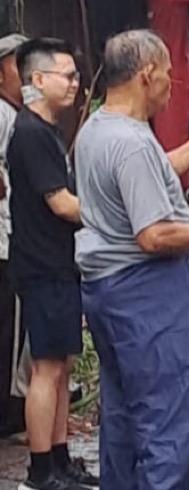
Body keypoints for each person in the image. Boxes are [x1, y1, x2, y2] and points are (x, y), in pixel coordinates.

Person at [74, 30, 189, 490]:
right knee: (171, 424)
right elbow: (152, 235)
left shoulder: (97, 130)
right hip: (148, 300)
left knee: (127, 418)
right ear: (146, 74)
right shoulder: (130, 143)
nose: (172, 83)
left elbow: (154, 172)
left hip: (109, 294)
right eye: (167, 73)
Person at [7, 38, 95, 490]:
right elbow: (61, 203)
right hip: (40, 266)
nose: (76, 84)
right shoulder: (30, 133)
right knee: (44, 368)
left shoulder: (49, 131)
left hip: (60, 264)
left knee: (61, 366)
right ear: (38, 81)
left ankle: (61, 460)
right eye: (68, 76)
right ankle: (40, 469)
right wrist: (108, 213)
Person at [0, 34, 27, 438]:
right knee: (8, 331)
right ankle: (8, 416)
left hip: (10, 238)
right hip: (6, 239)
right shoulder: (4, 114)